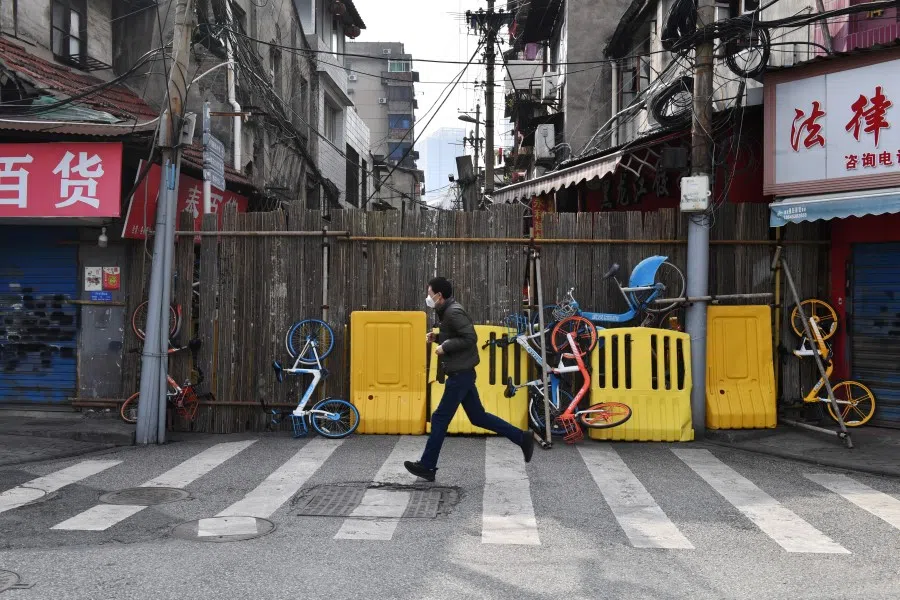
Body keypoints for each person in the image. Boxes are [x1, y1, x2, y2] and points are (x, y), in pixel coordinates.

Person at [405, 277, 534, 482]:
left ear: (439, 296)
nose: (428, 298)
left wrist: (445, 346)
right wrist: (437, 337)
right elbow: (455, 333)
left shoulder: (453, 311)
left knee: (439, 418)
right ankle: (522, 438)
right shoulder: (446, 311)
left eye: (430, 294)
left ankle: (427, 465)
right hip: (462, 372)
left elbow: (469, 338)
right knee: (478, 417)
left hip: (460, 374)